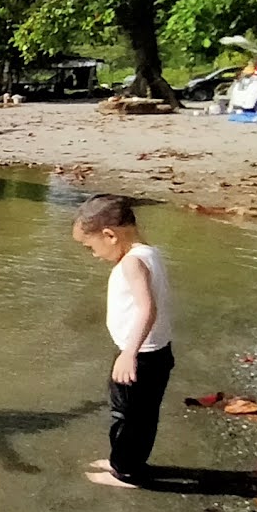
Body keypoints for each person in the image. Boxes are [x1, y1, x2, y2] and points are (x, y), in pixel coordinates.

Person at [72, 193, 173, 487]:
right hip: (157, 354)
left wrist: (129, 353)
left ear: (109, 235)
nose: (93, 254)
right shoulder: (150, 252)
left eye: (90, 247)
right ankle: (124, 462)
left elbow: (147, 308)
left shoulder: (131, 264)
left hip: (140, 356)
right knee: (142, 415)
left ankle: (126, 472)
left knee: (127, 417)